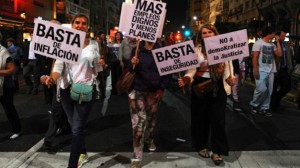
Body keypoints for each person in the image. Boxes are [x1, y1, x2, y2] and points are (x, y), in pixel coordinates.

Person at [44, 14, 104, 168]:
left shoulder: (94, 44)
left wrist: (101, 63)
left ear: (88, 27)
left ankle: (72, 165)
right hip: (65, 89)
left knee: (77, 128)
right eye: (77, 22)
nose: (80, 25)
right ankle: (82, 152)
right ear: (72, 25)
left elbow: (98, 68)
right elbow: (58, 66)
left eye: (84, 23)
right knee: (73, 125)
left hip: (85, 89)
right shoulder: (65, 43)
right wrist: (52, 78)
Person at [178, 24, 235, 166]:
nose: (208, 34)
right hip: (200, 85)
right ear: (200, 36)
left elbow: (229, 68)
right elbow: (191, 70)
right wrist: (187, 78)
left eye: (210, 32)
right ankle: (201, 146)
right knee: (200, 118)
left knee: (218, 120)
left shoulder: (224, 47)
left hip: (218, 86)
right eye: (204, 33)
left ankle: (217, 151)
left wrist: (230, 79)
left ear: (215, 33)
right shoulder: (195, 49)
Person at [128, 40, 171, 168]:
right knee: (138, 123)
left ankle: (149, 138)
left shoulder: (162, 51)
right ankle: (137, 156)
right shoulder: (136, 50)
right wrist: (132, 63)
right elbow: (130, 70)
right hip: (137, 91)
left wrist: (161, 88)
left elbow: (168, 71)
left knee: (151, 120)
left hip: (154, 92)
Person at [39, 19, 70, 154]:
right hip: (54, 84)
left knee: (62, 111)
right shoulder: (44, 46)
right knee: (56, 110)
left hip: (68, 84)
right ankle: (49, 140)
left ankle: (64, 129)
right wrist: (43, 76)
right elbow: (41, 64)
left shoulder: (70, 46)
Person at [250, 27, 282, 117]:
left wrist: (278, 42)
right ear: (269, 34)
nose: (275, 35)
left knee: (269, 91)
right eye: (273, 34)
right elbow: (255, 58)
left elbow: (279, 54)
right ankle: (254, 105)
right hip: (261, 70)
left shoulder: (272, 44)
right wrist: (255, 70)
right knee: (261, 89)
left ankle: (264, 108)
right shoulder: (258, 43)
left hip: (271, 70)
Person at [0, 32, 22, 139]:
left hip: (5, 86)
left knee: (9, 108)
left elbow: (12, 69)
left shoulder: (3, 52)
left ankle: (16, 129)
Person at [270, 31, 294, 112]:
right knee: (274, 88)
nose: (284, 38)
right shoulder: (272, 44)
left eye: (284, 36)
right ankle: (274, 106)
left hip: (284, 69)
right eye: (282, 36)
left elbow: (289, 56)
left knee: (287, 86)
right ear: (277, 36)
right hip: (275, 69)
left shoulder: (286, 44)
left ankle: (275, 100)